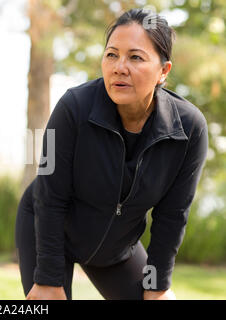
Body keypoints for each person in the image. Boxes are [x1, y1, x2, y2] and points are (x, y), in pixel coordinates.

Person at [15, 8, 208, 300]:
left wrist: (156, 286)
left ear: (163, 71)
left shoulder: (189, 129)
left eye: (135, 57)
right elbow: (50, 197)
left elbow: (172, 216)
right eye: (112, 55)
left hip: (118, 250)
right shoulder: (73, 108)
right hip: (48, 229)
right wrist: (48, 280)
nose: (119, 67)